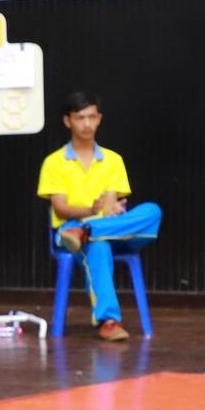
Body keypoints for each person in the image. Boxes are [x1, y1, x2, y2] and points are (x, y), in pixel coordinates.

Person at [38, 93, 162, 342]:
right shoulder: (54, 162)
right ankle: (109, 321)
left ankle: (88, 232)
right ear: (67, 121)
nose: (87, 124)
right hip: (68, 230)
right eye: (80, 118)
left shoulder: (113, 160)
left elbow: (111, 205)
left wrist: (102, 214)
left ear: (99, 119)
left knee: (152, 211)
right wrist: (93, 210)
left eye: (91, 117)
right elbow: (61, 209)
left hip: (112, 229)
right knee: (98, 246)